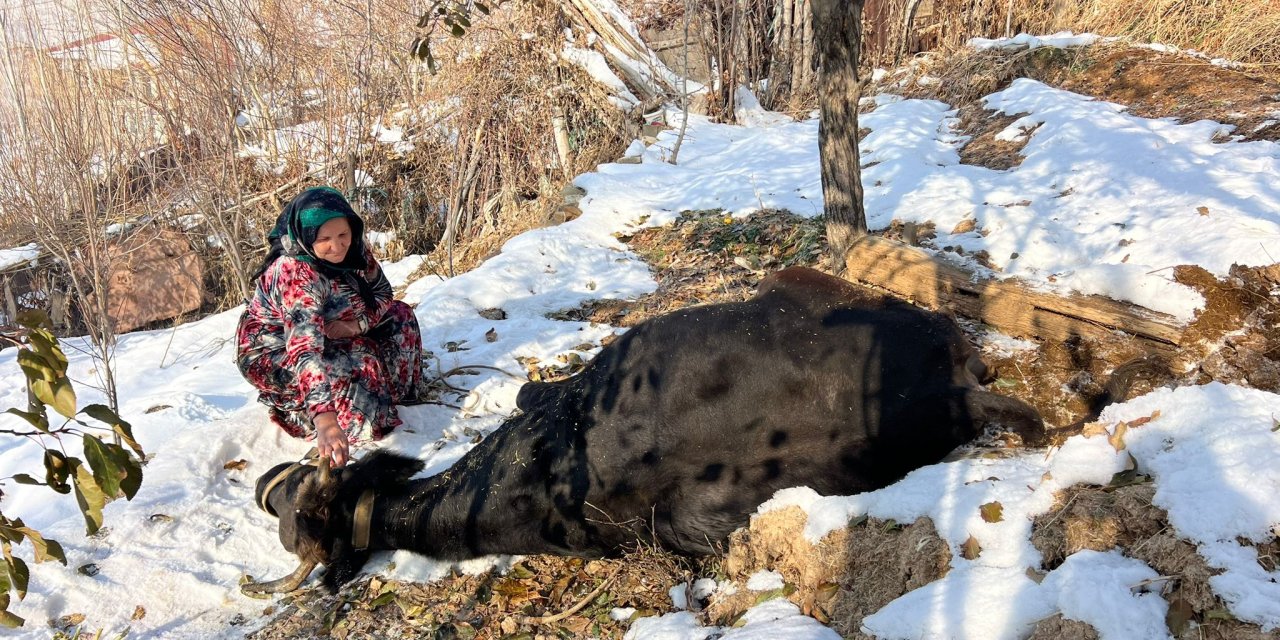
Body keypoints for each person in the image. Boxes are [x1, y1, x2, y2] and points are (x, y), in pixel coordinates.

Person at [236, 186, 422, 467]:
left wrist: (356, 325)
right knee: (362, 366)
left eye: (343, 235)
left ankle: (392, 395)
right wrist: (326, 421)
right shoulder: (295, 274)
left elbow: (383, 292)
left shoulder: (355, 249)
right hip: (276, 350)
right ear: (307, 237)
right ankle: (300, 413)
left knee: (401, 318)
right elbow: (304, 349)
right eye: (324, 239)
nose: (337, 247)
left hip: (340, 327)